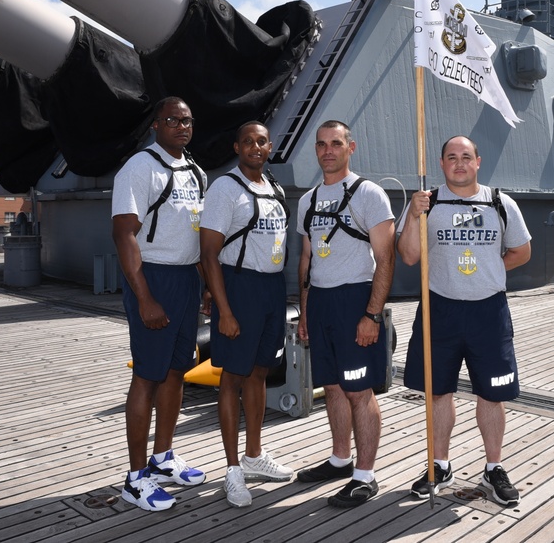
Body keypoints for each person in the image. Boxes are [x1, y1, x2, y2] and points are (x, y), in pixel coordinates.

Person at [396, 135, 532, 505]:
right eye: (452, 157)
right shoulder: (429, 204)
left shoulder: (500, 202)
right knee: (438, 391)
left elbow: (521, 250)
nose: (459, 163)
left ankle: (493, 469)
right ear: (441, 164)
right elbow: (408, 256)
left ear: (478, 161)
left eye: (466, 157)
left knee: (492, 393)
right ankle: (439, 464)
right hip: (440, 309)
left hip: (488, 311)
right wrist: (412, 214)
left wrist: (489, 270)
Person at [111, 96, 208, 511]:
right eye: (173, 120)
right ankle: (135, 480)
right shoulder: (139, 168)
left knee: (175, 372)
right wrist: (145, 296)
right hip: (154, 278)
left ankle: (163, 457)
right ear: (156, 125)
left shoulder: (196, 171)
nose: (182, 127)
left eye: (187, 121)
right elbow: (124, 235)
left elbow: (196, 233)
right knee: (147, 377)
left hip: (186, 279)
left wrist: (203, 285)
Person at [295, 119, 395, 508]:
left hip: (355, 300)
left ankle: (365, 476)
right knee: (333, 387)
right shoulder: (307, 200)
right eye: (321, 144)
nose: (327, 151)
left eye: (336, 143)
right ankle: (340, 459)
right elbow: (305, 262)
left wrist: (372, 315)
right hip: (320, 303)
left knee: (358, 390)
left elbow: (385, 259)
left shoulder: (369, 194)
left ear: (350, 148)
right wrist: (304, 313)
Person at [199, 121, 295, 508]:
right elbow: (208, 254)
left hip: (271, 289)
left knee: (259, 372)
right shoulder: (225, 188)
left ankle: (254, 455)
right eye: (248, 142)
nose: (255, 147)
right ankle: (233, 469)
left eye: (261, 141)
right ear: (236, 147)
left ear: (269, 146)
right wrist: (223, 309)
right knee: (233, 378)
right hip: (240, 288)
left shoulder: (275, 188)